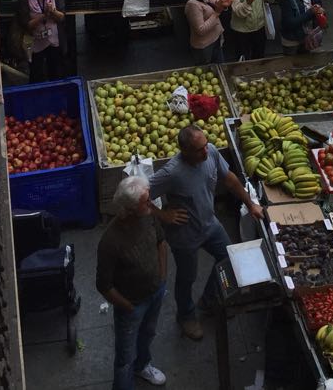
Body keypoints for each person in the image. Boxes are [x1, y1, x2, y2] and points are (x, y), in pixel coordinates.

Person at [149, 123, 264, 340]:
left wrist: (251, 204)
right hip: (185, 236)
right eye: (199, 149)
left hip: (210, 224)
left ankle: (209, 301)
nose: (206, 150)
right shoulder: (172, 172)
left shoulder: (210, 152)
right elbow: (139, 194)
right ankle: (186, 316)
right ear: (186, 151)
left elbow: (229, 178)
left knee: (228, 257)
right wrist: (163, 215)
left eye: (205, 144)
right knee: (187, 277)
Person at [96, 176, 169, 389]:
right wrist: (127, 306)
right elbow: (104, 285)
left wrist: (162, 277)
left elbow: (161, 242)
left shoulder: (149, 215)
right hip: (131, 305)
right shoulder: (110, 242)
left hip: (155, 291)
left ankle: (143, 365)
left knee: (148, 333)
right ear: (129, 209)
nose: (151, 204)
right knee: (124, 356)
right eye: (145, 202)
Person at [183, 0, 227, 64]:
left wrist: (222, 4)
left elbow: (215, 3)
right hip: (204, 47)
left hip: (216, 39)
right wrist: (217, 12)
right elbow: (200, 30)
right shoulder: (192, 4)